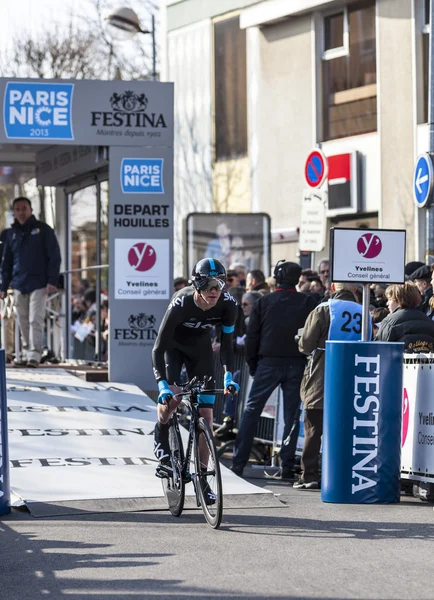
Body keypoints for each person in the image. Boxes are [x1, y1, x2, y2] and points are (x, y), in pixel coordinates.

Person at [151, 258, 239, 503]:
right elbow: (158, 348)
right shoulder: (180, 303)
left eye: (219, 284)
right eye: (209, 284)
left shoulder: (228, 305)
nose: (214, 291)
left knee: (207, 419)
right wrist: (161, 385)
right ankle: (161, 437)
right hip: (173, 347)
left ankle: (202, 479)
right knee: (173, 399)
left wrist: (229, 376)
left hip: (199, 349)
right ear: (197, 285)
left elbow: (228, 345)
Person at [231, 261, 318, 479]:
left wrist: (252, 364)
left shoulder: (264, 302)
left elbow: (253, 336)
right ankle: (287, 466)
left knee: (251, 411)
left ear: (277, 277)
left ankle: (239, 462)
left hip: (268, 363)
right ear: (298, 279)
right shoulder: (307, 301)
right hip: (297, 362)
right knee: (291, 415)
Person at [294, 282, 370, 490]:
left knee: (313, 427)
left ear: (334, 286)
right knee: (348, 427)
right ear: (354, 290)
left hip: (322, 372)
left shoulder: (323, 309)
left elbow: (306, 344)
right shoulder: (365, 311)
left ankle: (309, 475)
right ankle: (345, 472)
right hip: (355, 374)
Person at [0, 197, 61, 367]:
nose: (21, 212)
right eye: (17, 209)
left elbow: (54, 256)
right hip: (19, 283)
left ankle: (35, 355)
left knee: (36, 318)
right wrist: (3, 286)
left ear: (30, 210)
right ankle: (26, 354)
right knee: (22, 320)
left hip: (39, 283)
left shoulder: (43, 230)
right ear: (14, 212)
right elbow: (6, 263)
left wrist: (52, 280)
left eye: (24, 208)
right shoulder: (11, 234)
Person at [375, 282, 434, 352]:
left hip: (397, 362)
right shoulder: (429, 321)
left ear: (398, 300)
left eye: (390, 299)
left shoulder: (389, 322)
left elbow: (378, 349)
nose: (387, 303)